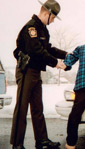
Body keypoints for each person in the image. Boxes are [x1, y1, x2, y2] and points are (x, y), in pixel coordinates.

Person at [11, 0, 67, 149]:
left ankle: (41, 140)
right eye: (53, 18)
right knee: (22, 108)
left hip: (36, 72)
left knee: (37, 108)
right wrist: (56, 63)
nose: (53, 21)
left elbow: (48, 49)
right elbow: (36, 50)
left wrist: (66, 55)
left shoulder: (43, 30)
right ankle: (17, 144)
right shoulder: (31, 27)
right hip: (26, 71)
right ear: (46, 13)